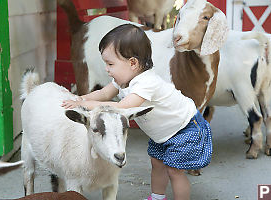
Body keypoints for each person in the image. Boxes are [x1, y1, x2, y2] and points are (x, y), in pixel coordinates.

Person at [61, 24, 212, 200]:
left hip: (184, 126)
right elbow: (103, 93)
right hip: (164, 133)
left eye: (110, 64)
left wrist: (90, 106)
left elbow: (124, 107)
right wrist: (81, 99)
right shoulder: (123, 80)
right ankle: (157, 197)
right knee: (157, 162)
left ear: (132, 63)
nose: (107, 69)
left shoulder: (146, 82)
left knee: (174, 170)